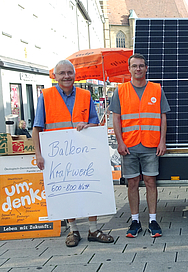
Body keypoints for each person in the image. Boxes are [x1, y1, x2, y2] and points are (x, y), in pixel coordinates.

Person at [32, 60, 114, 247]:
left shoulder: (85, 95)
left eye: (69, 72)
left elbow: (95, 122)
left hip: (84, 151)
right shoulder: (45, 96)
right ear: (55, 76)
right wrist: (38, 154)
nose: (66, 76)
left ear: (75, 75)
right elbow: (37, 128)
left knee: (90, 187)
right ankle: (73, 230)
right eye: (62, 73)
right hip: (58, 155)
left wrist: (88, 125)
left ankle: (93, 229)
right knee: (66, 190)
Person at [110, 53, 170, 238]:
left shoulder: (156, 89)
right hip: (129, 145)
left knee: (151, 182)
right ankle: (135, 220)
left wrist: (162, 141)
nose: (138, 69)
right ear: (129, 69)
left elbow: (162, 116)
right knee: (132, 183)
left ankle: (153, 220)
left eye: (141, 66)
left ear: (146, 68)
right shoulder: (120, 91)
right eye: (134, 66)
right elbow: (116, 118)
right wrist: (119, 142)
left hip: (151, 145)